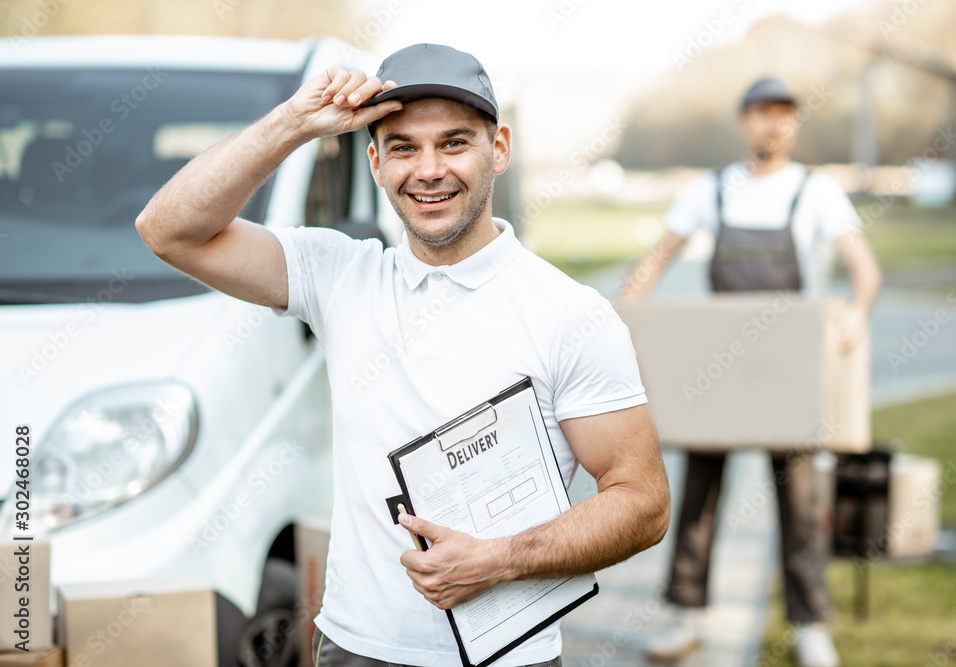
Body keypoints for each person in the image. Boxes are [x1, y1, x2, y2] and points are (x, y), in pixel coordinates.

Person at [136, 43, 670, 667]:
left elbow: (643, 502)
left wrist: (498, 560)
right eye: (403, 148)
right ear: (376, 162)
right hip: (352, 649)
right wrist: (294, 122)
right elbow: (168, 230)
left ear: (499, 149)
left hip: (509, 658)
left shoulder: (570, 315)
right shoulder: (338, 274)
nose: (429, 170)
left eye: (453, 143)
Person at [619, 77, 881, 667]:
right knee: (699, 496)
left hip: (790, 370)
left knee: (799, 501)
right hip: (722, 370)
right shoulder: (710, 191)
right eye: (763, 114)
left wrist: (856, 315)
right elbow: (656, 261)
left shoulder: (817, 192)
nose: (773, 125)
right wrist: (622, 317)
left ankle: (811, 626)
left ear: (794, 124)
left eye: (785, 114)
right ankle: (688, 617)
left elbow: (865, 272)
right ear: (744, 123)